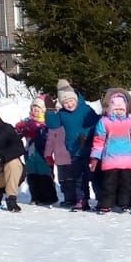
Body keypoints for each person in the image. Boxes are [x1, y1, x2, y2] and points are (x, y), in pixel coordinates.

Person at [90, 88, 131, 213]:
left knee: (126, 184)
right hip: (110, 159)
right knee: (109, 184)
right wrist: (95, 157)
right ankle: (107, 204)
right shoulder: (104, 122)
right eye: (116, 109)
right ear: (110, 109)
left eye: (121, 109)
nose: (119, 112)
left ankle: (125, 204)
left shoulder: (130, 123)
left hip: (126, 160)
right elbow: (99, 141)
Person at [50, 80, 98, 210]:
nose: (69, 104)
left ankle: (101, 199)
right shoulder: (62, 114)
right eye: (65, 103)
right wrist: (49, 110)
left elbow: (96, 125)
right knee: (79, 178)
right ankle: (82, 200)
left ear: (76, 99)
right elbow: (53, 124)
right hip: (74, 151)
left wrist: (87, 136)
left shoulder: (85, 109)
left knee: (94, 176)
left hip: (90, 150)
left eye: (71, 101)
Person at [16, 96, 58, 206]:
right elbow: (17, 135)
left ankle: (49, 197)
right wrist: (19, 130)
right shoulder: (27, 122)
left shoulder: (47, 123)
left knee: (45, 175)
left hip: (44, 154)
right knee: (32, 175)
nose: (35, 110)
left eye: (38, 108)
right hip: (30, 155)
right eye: (33, 107)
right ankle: (35, 196)